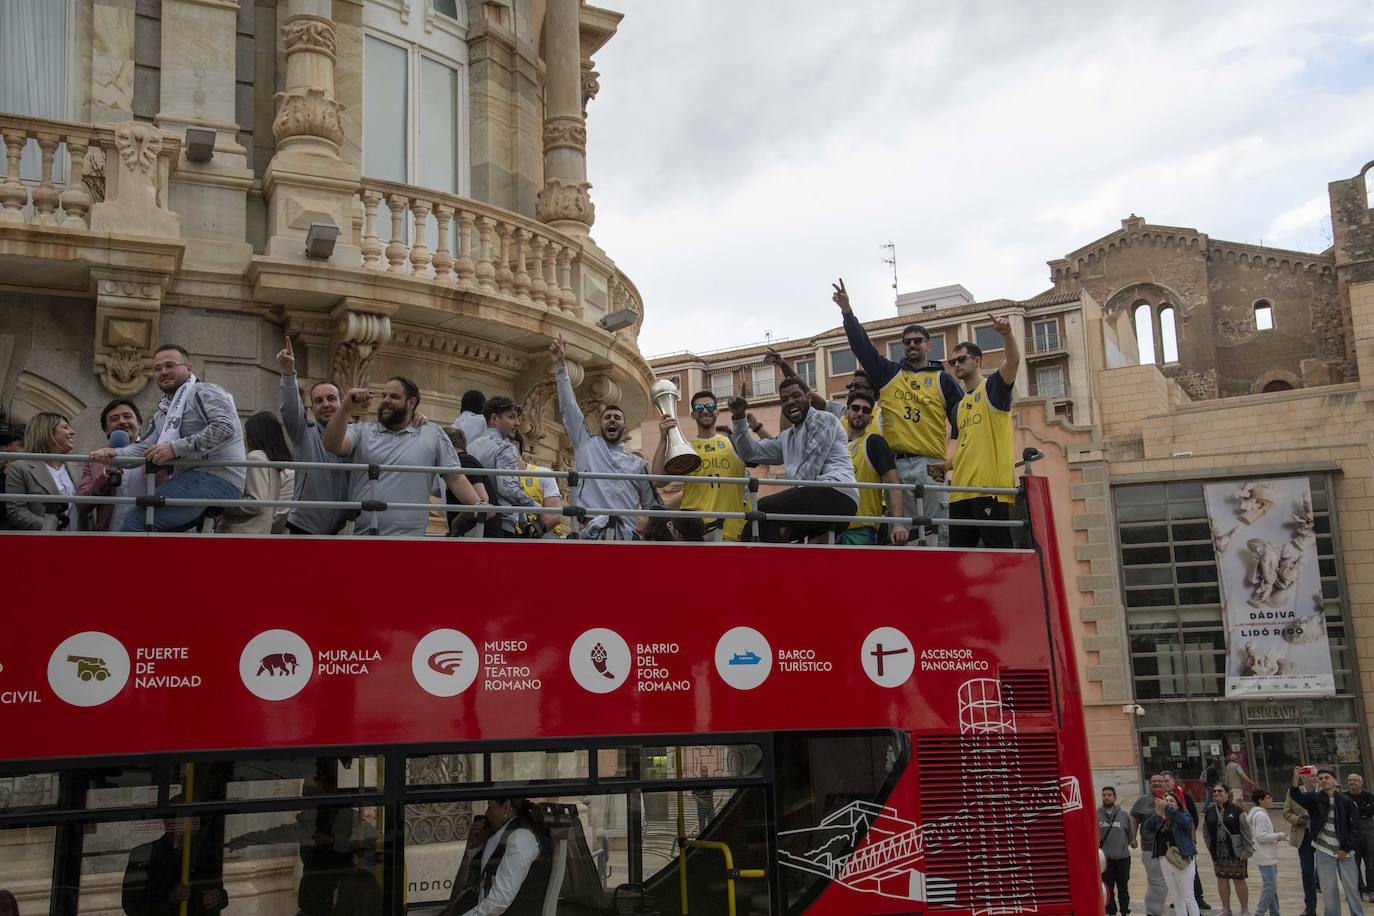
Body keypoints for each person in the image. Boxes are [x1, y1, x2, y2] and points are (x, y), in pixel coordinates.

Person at [831, 278, 964, 545]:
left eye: (918, 341)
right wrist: (847, 312)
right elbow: (862, 347)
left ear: (929, 345)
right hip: (897, 464)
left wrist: (954, 460)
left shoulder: (943, 379)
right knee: (902, 534)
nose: (912, 345)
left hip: (932, 462)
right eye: (907, 342)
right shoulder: (889, 374)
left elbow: (963, 425)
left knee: (938, 530)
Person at [90, 344, 246, 532]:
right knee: (160, 533)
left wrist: (174, 448)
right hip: (192, 479)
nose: (163, 372)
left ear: (188, 368)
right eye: (157, 368)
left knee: (137, 519)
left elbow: (226, 427)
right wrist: (115, 453)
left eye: (170, 365)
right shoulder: (163, 412)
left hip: (218, 478)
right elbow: (145, 446)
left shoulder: (205, 391)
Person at [323, 377, 481, 536]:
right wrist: (345, 408)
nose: (386, 400)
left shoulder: (433, 433)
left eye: (394, 397)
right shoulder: (362, 431)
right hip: (360, 536)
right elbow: (332, 445)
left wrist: (479, 505)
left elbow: (455, 478)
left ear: (411, 403)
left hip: (410, 540)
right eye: (384, 395)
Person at [549, 336, 658, 540]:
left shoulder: (638, 464)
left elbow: (653, 506)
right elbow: (569, 408)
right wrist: (560, 366)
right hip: (591, 534)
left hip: (627, 540)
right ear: (601, 424)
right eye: (607, 417)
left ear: (624, 428)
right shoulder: (586, 445)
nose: (612, 420)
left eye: (617, 418)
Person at [727, 376, 857, 543]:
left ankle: (750, 564)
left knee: (763, 509)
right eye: (784, 399)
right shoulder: (788, 436)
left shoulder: (822, 419)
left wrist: (788, 517)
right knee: (762, 526)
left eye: (796, 396)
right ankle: (764, 565)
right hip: (816, 498)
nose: (790, 402)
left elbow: (808, 472)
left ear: (809, 398)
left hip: (837, 493)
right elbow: (751, 453)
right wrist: (739, 418)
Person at [946, 318, 1021, 548]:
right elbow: (967, 447)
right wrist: (946, 465)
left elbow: (1014, 361)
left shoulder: (992, 389)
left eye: (961, 359)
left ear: (977, 360)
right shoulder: (958, 406)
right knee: (959, 563)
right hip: (959, 493)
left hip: (988, 490)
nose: (956, 364)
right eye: (952, 361)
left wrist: (1007, 333)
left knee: (1000, 559)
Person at [277, 334, 351, 535]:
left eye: (331, 398)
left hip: (346, 526)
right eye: (318, 401)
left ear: (342, 403)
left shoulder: (356, 435)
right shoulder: (304, 432)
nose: (325, 404)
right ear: (312, 407)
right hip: (305, 525)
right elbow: (290, 408)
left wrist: (415, 418)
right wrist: (288, 372)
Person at [653, 390, 747, 543]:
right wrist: (663, 439)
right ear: (692, 414)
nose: (704, 410)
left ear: (717, 411)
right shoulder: (686, 448)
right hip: (692, 532)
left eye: (710, 406)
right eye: (699, 408)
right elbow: (658, 481)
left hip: (729, 531)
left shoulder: (733, 443)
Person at [122, 798, 228, 916]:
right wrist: (170, 897)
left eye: (196, 817)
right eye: (187, 817)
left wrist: (218, 897)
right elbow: (131, 906)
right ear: (168, 822)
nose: (194, 821)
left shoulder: (205, 853)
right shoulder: (144, 854)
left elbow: (218, 889)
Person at [455, 798, 553, 916]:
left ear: (506, 807)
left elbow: (500, 900)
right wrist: (474, 848)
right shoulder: (500, 836)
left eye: (490, 807)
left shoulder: (521, 839)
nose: (487, 814)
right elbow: (471, 881)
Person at [1290, 766, 1366, 916]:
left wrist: (1346, 849)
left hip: (1345, 852)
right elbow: (1296, 796)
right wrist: (1295, 778)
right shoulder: (1315, 798)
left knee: (1352, 890)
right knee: (1329, 891)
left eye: (1327, 778)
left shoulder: (1346, 802)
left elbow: (1356, 829)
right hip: (1324, 850)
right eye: (1321, 778)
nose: (1323, 780)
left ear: (1335, 781)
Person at [466, 396, 540, 537]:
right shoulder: (506, 447)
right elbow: (508, 488)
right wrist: (539, 509)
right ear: (494, 419)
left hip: (472, 523)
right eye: (511, 417)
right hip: (501, 524)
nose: (517, 423)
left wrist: (523, 519)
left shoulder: (471, 446)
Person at [839, 391, 905, 545]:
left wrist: (898, 524)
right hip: (831, 529)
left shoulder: (874, 442)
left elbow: (894, 484)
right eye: (855, 408)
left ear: (870, 418)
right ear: (846, 412)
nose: (860, 413)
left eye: (866, 410)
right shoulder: (835, 447)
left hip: (860, 532)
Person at [216, 412, 294, 534]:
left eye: (246, 433)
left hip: (240, 532)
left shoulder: (255, 457)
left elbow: (255, 503)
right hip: (259, 533)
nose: (244, 438)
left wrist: (223, 504)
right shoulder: (273, 463)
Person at [4, 412, 82, 531]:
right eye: (65, 427)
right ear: (48, 433)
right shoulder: (19, 468)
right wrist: (50, 527)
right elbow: (17, 511)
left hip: (83, 540)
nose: (72, 432)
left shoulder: (78, 464)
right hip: (45, 543)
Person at [78, 399, 146, 531]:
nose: (121, 421)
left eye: (127, 416)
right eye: (114, 418)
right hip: (110, 537)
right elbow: (82, 505)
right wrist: (104, 476)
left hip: (151, 535)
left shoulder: (154, 453)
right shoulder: (95, 459)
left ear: (139, 424)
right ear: (106, 430)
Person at [1162, 770, 1214, 912]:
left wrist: (1190, 836)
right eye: (1163, 781)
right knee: (1178, 892)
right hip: (1169, 852)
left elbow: (1191, 819)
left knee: (1191, 876)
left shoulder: (1183, 798)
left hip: (1185, 846)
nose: (1165, 784)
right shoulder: (1161, 803)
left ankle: (1199, 897)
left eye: (1167, 780)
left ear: (1173, 781)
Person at [1144, 791, 1200, 916]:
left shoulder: (1183, 816)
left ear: (1178, 805)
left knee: (1188, 896)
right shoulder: (1161, 819)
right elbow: (1146, 828)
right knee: (1176, 897)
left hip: (1182, 859)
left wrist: (1168, 808)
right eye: (1166, 800)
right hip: (1165, 859)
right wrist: (1156, 815)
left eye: (1171, 801)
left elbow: (1187, 824)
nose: (1167, 803)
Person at [1203, 782, 1254, 916]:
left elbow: (1246, 831)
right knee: (1222, 879)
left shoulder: (1237, 811)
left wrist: (1248, 850)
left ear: (1227, 794)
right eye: (1214, 791)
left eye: (1220, 791)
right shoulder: (1210, 811)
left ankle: (1244, 909)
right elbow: (1206, 831)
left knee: (1239, 879)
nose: (1216, 793)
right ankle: (1226, 909)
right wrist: (1210, 847)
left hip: (1236, 852)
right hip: (1218, 853)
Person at [512, 432, 566, 538]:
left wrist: (534, 528)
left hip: (543, 534)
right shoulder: (498, 478)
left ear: (515, 446)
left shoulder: (542, 474)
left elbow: (555, 517)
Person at [1130, 775, 1169, 916]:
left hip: (1172, 849)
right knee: (1157, 881)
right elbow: (1134, 817)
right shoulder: (1143, 800)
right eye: (1153, 782)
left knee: (1172, 882)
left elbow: (1187, 818)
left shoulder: (1173, 798)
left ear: (1166, 783)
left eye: (1160, 781)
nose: (1156, 783)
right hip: (1150, 848)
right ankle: (1153, 912)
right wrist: (1132, 837)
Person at [1287, 767, 1321, 916]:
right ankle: (1310, 908)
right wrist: (1297, 819)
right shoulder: (1295, 792)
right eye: (1312, 776)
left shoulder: (1323, 790)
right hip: (1304, 834)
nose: (1315, 778)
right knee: (1307, 872)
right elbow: (1286, 812)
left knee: (1325, 871)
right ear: (1303, 778)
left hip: (1321, 835)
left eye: (1316, 775)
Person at [1098, 786, 1135, 916]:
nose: (1106, 797)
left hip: (1123, 859)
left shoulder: (1124, 815)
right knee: (1108, 888)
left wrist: (1133, 841)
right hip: (1105, 861)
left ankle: (1125, 911)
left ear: (1115, 797)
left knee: (1123, 888)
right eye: (1104, 795)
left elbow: (1131, 835)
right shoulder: (1096, 815)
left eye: (1109, 795)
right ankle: (1110, 911)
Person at [1248, 788, 1285, 916]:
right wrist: (1278, 835)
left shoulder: (1255, 814)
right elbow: (1261, 836)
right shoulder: (1260, 815)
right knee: (1270, 886)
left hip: (1264, 854)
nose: (1271, 800)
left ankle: (1275, 912)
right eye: (1268, 798)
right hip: (1265, 855)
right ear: (1260, 800)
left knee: (1271, 886)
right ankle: (1259, 913)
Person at [1345, 773, 1374, 901]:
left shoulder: (1369, 796)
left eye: (1355, 780)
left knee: (1371, 862)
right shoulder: (1344, 797)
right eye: (1350, 780)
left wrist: (1355, 811)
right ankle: (1359, 890)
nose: (1352, 782)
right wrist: (1360, 811)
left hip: (1368, 831)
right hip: (1352, 833)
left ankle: (1372, 890)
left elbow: (1370, 810)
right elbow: (1344, 812)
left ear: (1360, 783)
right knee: (1353, 864)